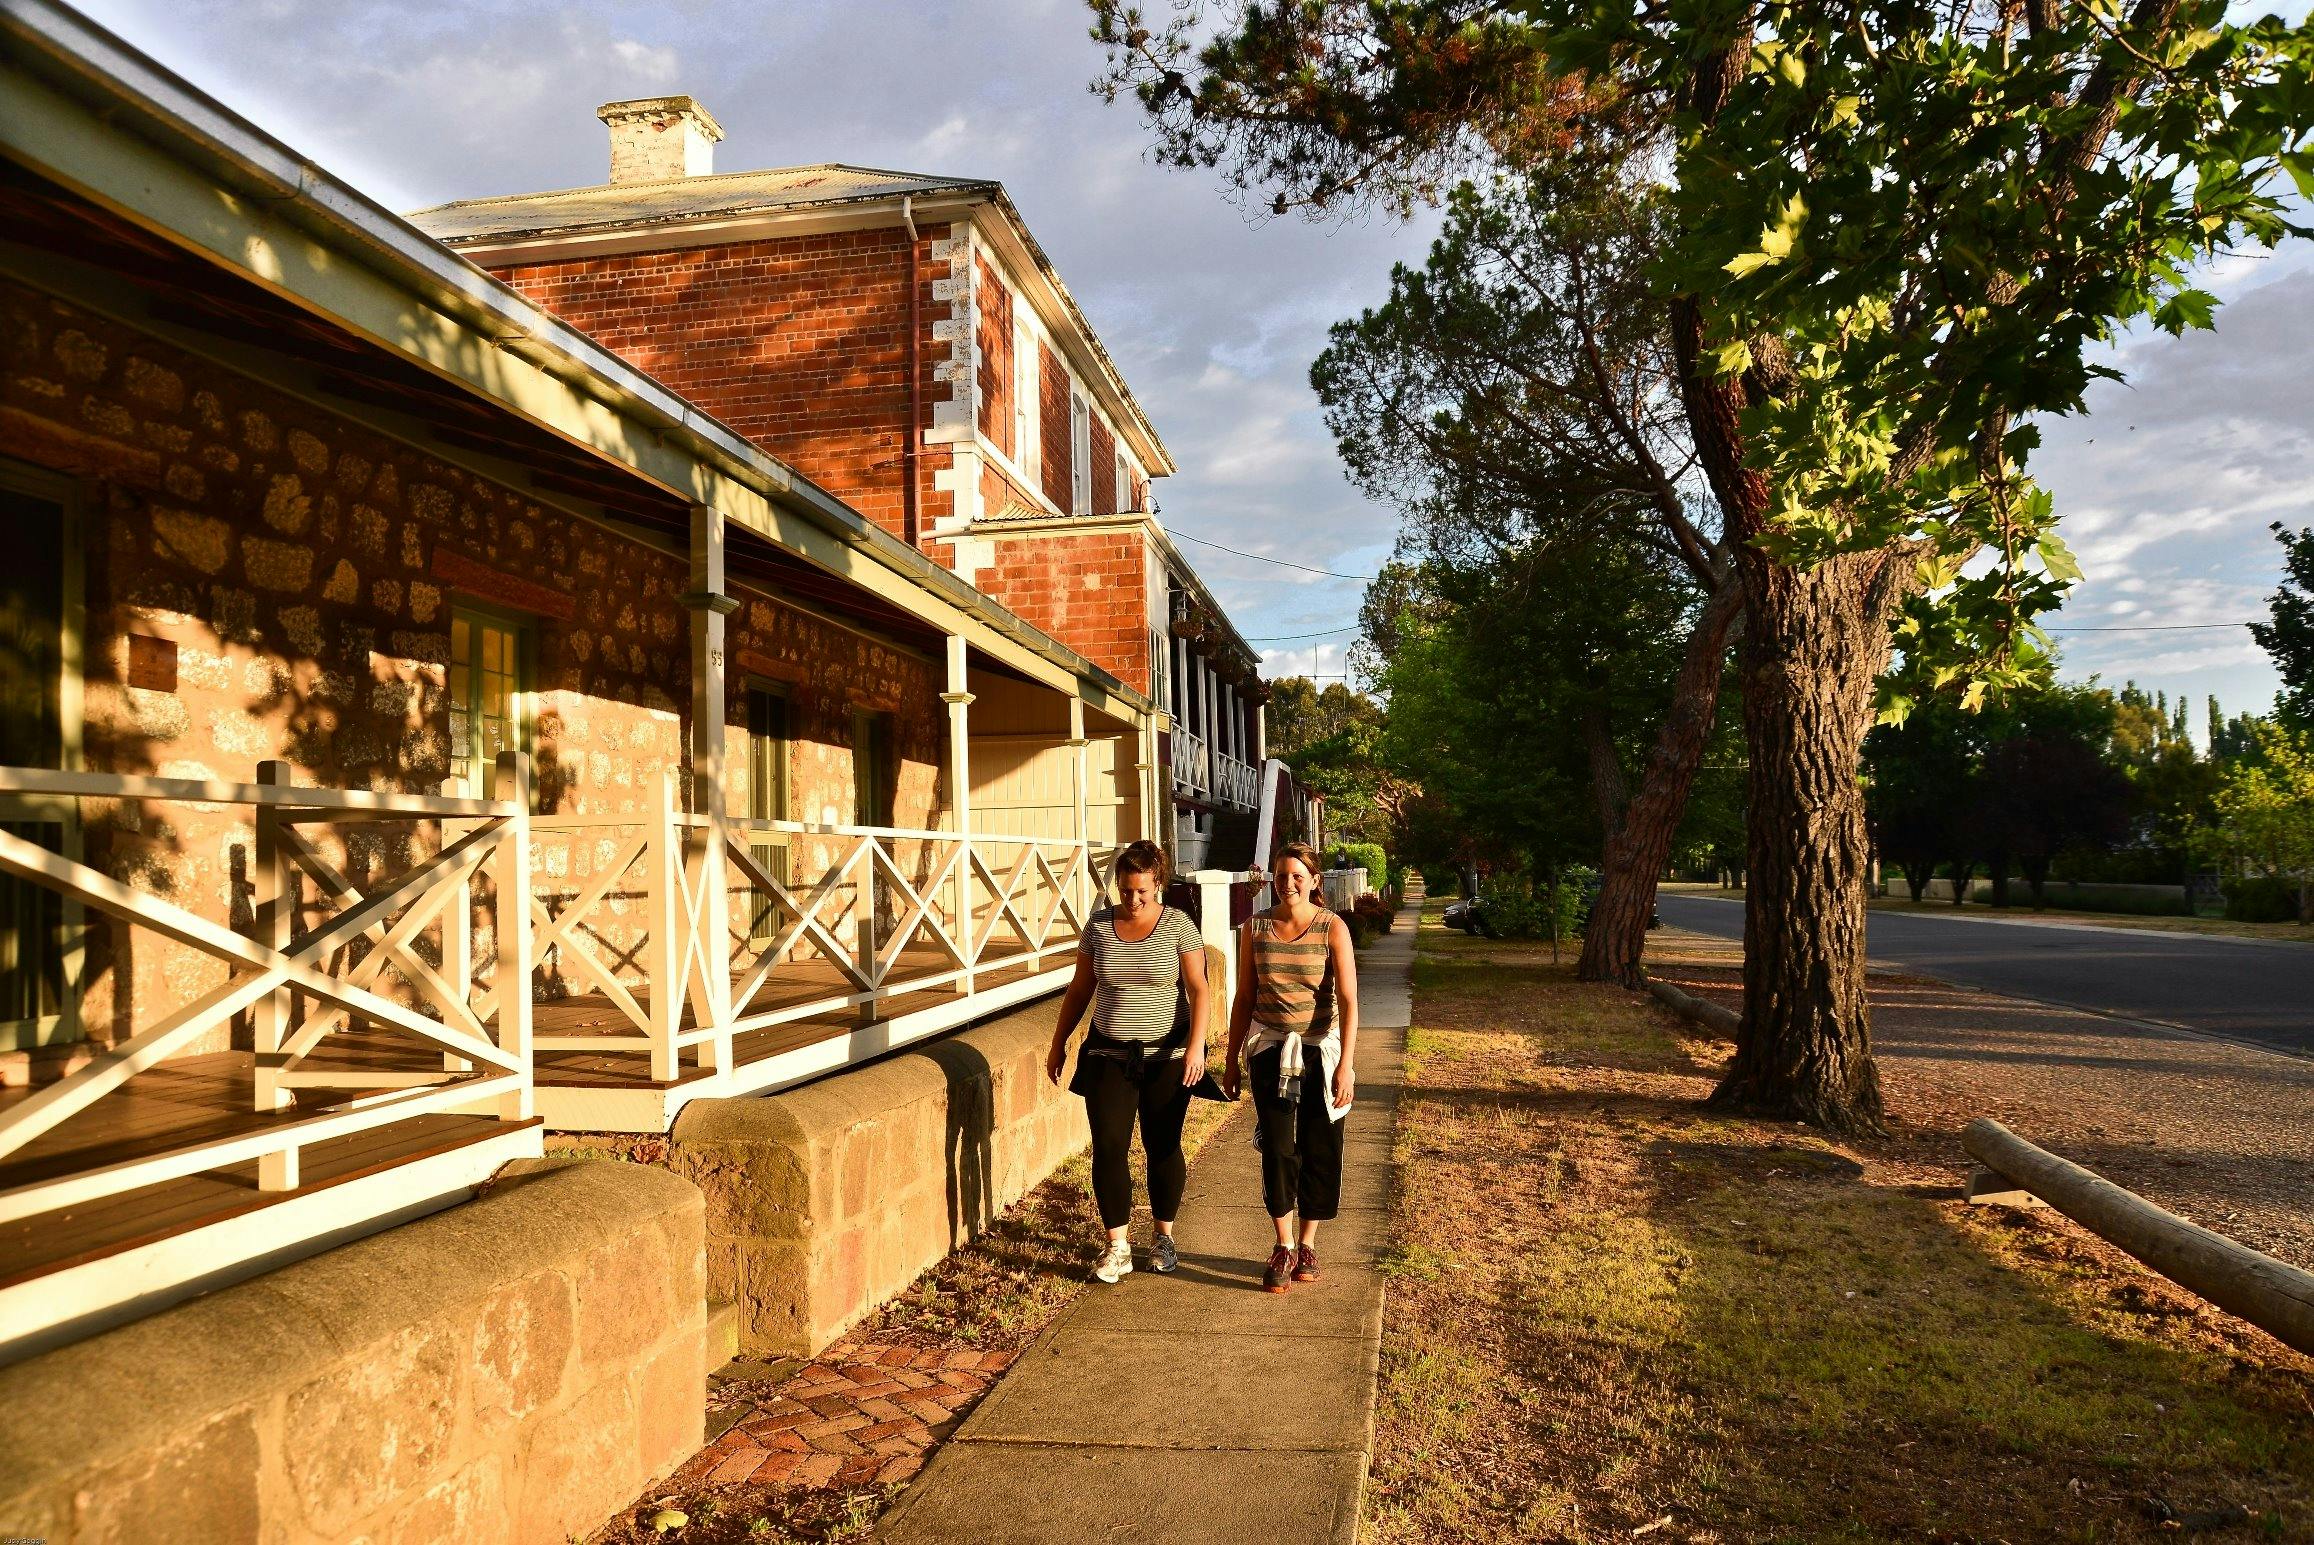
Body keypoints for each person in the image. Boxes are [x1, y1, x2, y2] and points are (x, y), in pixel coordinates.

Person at [1045, 839, 1210, 1283]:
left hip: (1167, 1056)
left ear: (1159, 884)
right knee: (1110, 1148)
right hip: (1107, 1055)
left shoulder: (1179, 926)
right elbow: (1080, 989)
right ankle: (1117, 1245)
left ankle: (1163, 1237)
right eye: (1125, 890)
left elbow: (1199, 989)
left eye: (1142, 890)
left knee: (1163, 1146)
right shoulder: (1098, 927)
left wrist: (1197, 1046)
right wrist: (1059, 1041)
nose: (1133, 899)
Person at [1223, 841, 1359, 1293]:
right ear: (1272, 879)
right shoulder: (1255, 927)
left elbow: (1348, 1000)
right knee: (1279, 1147)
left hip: (1321, 1049)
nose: (1289, 884)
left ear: (1315, 880)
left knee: (1322, 1147)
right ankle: (1282, 1244)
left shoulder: (1331, 928)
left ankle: (1307, 1245)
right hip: (1271, 1050)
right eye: (1282, 876)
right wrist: (1229, 1060)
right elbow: (1244, 998)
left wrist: (1348, 1067)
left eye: (1298, 876)